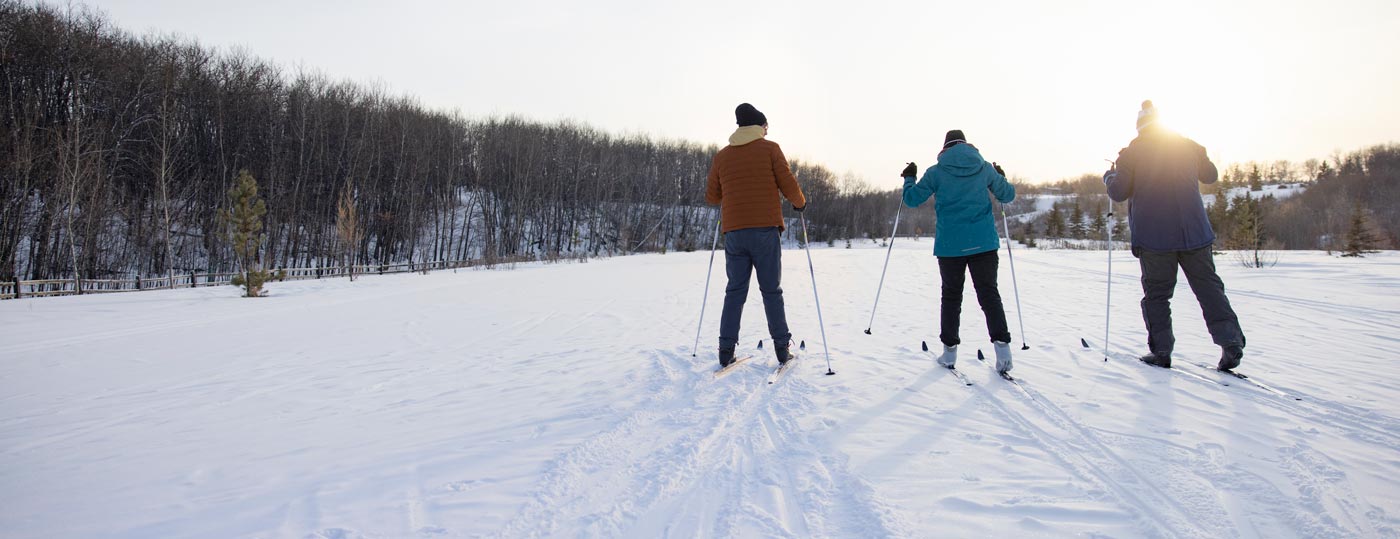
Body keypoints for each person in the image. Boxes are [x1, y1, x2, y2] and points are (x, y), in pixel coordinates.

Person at [1104, 100, 1246, 370]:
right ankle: (1231, 342)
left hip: (1155, 238)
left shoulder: (1132, 153)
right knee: (1208, 288)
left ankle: (1162, 352)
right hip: (1194, 232)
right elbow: (1211, 175)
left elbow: (1119, 192)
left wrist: (1109, 176)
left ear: (1140, 126)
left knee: (1157, 295)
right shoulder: (1188, 145)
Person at [902, 130, 1017, 374]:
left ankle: (949, 353)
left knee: (952, 297)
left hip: (950, 246)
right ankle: (1004, 352)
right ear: (967, 145)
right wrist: (1001, 177)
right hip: (984, 244)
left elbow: (912, 199)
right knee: (989, 295)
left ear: (945, 148)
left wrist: (909, 178)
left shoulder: (936, 172)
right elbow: (1007, 195)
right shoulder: (984, 167)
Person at [705, 103, 807, 368]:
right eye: (766, 127)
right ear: (760, 126)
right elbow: (788, 183)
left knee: (735, 291)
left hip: (735, 233)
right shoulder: (771, 149)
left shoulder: (722, 156)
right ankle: (782, 348)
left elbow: (712, 196)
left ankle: (725, 350)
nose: (767, 131)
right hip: (764, 231)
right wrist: (800, 203)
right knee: (771, 290)